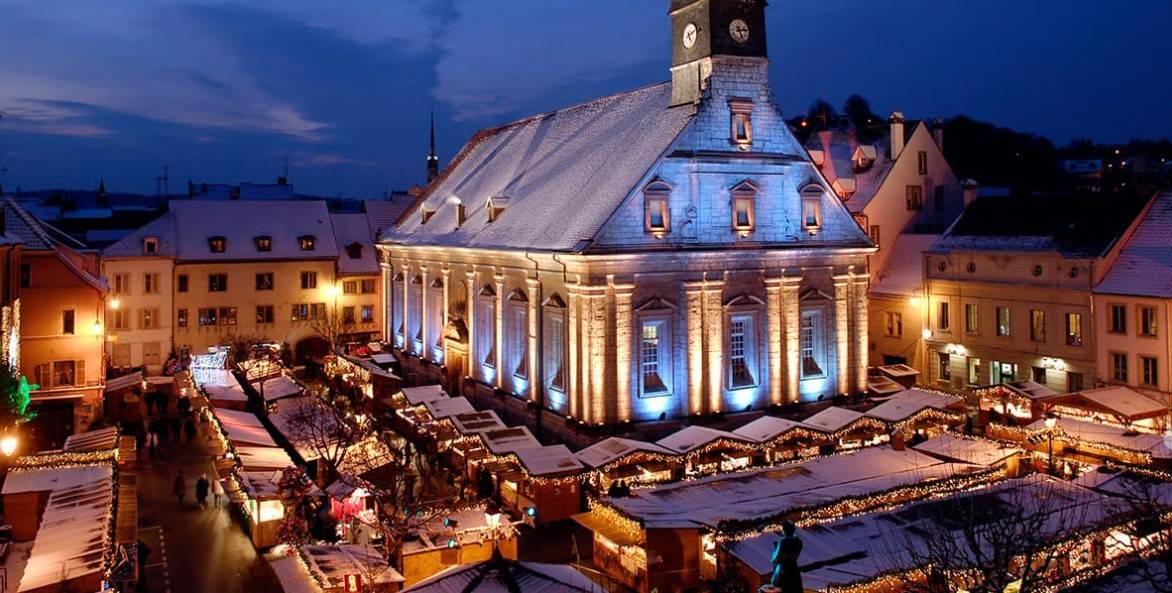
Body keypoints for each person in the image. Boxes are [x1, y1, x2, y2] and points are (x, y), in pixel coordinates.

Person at [769, 521, 804, 593]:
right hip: (794, 570)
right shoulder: (798, 542)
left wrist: (776, 550)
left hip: (783, 571)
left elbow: (776, 557)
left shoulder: (783, 542)